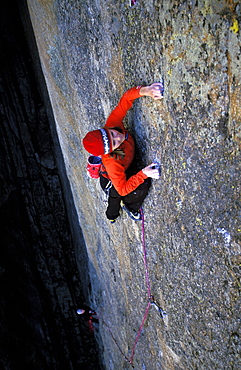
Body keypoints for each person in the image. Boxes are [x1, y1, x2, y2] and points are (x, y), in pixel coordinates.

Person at [82, 83, 163, 223]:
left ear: (107, 129)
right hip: (111, 181)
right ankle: (126, 210)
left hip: (121, 170)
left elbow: (125, 100)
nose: (118, 137)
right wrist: (144, 173)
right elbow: (122, 190)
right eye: (114, 143)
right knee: (117, 199)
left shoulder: (112, 123)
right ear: (109, 151)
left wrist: (146, 91)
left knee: (121, 190)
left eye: (113, 134)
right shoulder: (112, 162)